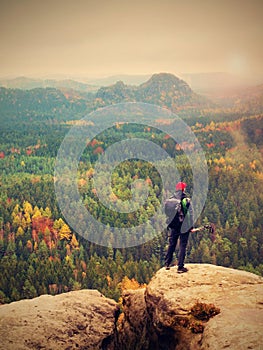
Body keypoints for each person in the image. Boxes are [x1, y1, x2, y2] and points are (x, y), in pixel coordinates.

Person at [165, 182, 194, 273]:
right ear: (183, 189)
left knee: (172, 244)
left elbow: (166, 213)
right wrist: (191, 226)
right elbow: (189, 215)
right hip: (184, 226)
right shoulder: (186, 200)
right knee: (182, 245)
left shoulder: (170, 200)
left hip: (174, 225)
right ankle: (180, 267)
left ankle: (167, 264)